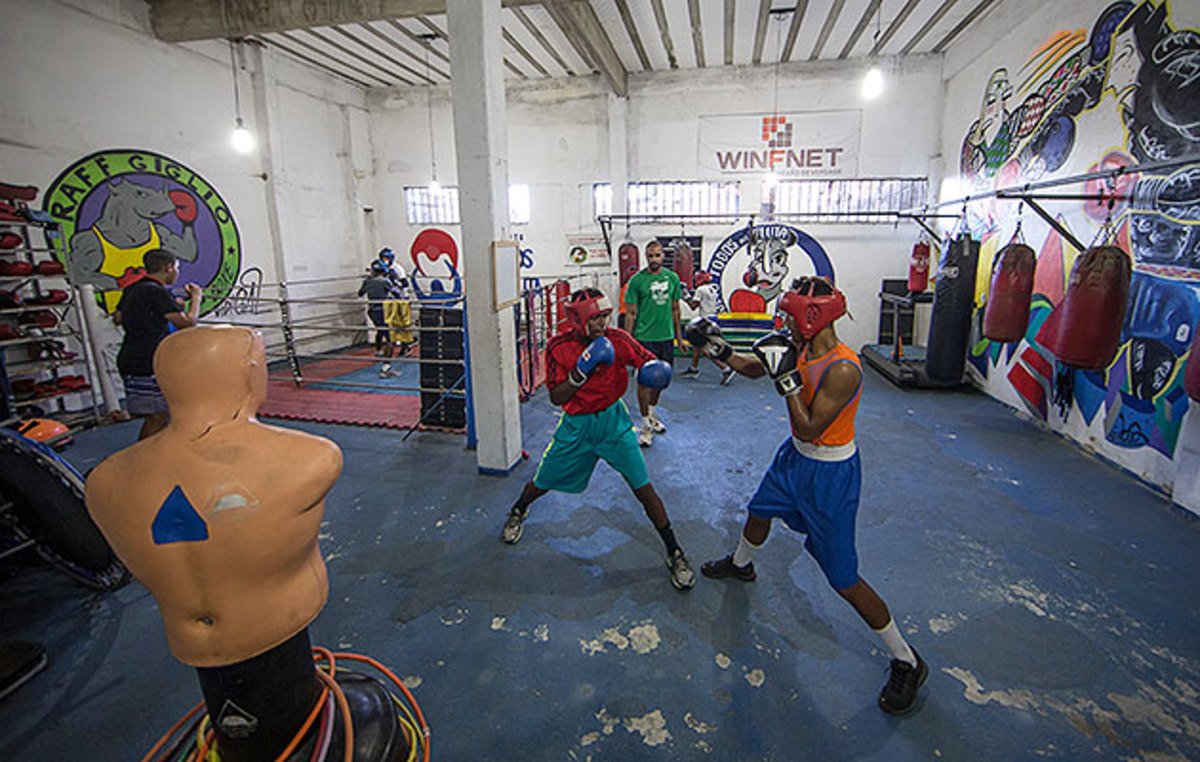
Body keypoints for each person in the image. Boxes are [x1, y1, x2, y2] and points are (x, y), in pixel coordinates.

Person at [685, 276, 927, 716]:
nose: (784, 323)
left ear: (811, 318)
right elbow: (750, 367)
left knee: (843, 579)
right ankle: (741, 564)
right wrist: (715, 346)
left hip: (830, 474)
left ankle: (906, 659)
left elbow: (811, 425)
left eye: (790, 316)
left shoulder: (844, 368)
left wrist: (787, 377)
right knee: (758, 511)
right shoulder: (795, 347)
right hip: (793, 460)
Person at [500, 287, 695, 591]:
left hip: (613, 423)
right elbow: (555, 397)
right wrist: (582, 370)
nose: (602, 325)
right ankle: (519, 509)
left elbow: (646, 360)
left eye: (604, 317)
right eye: (595, 319)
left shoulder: (617, 339)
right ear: (578, 320)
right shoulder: (557, 347)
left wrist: (654, 370)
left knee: (644, 488)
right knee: (543, 481)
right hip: (576, 426)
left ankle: (675, 551)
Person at [113, 248, 201, 440]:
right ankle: (144, 461)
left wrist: (162, 308)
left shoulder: (134, 288)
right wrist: (196, 298)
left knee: (158, 414)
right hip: (147, 360)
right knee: (157, 417)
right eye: (177, 267)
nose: (178, 272)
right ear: (168, 268)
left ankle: (152, 457)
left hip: (131, 355)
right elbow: (187, 323)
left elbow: (118, 317)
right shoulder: (156, 292)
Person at [623, 240, 683, 447]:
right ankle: (645, 426)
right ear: (645, 257)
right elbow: (630, 313)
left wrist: (679, 337)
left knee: (660, 381)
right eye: (650, 256)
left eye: (657, 255)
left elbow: (675, 309)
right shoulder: (637, 281)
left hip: (665, 338)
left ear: (662, 256)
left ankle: (652, 414)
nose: (654, 259)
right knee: (644, 382)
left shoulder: (672, 278)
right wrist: (627, 341)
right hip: (644, 339)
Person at [680, 271, 734, 385]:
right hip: (713, 319)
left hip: (705, 322)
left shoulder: (701, 290)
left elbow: (693, 306)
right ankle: (694, 369)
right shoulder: (712, 288)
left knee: (706, 349)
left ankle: (725, 369)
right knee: (696, 345)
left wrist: (685, 296)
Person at [358, 260, 402, 376]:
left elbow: (360, 293)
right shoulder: (384, 281)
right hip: (383, 311)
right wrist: (394, 284)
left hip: (372, 311)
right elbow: (397, 293)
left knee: (381, 330)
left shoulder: (367, 281)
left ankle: (378, 351)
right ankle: (386, 368)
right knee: (390, 339)